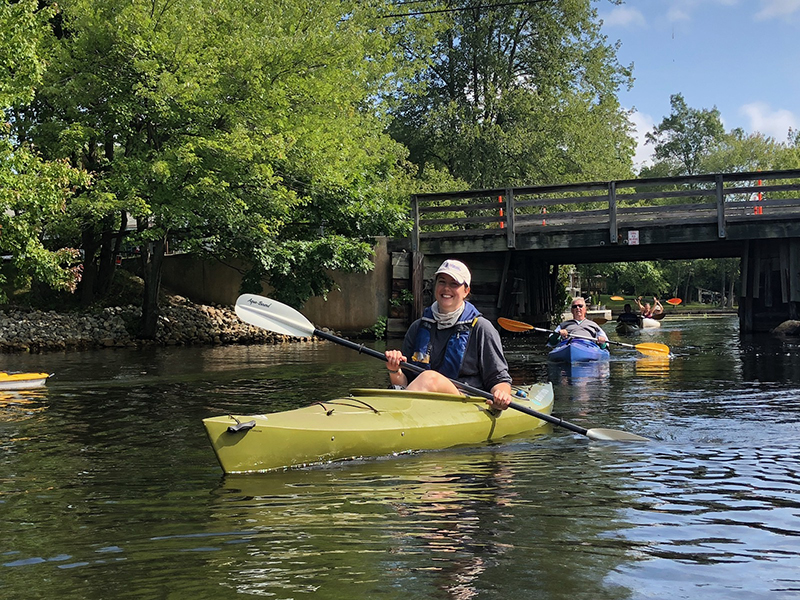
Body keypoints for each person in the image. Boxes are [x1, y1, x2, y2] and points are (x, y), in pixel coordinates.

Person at [384, 259, 513, 411]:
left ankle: (397, 414)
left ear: (466, 291)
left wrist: (501, 394)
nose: (446, 288)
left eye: (454, 284)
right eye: (442, 282)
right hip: (421, 401)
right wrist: (394, 369)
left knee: (429, 378)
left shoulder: (482, 328)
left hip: (465, 402)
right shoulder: (417, 327)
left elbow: (499, 380)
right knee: (426, 378)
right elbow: (404, 384)